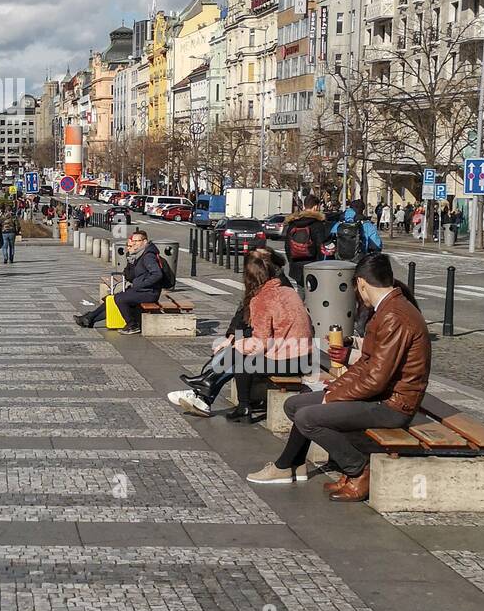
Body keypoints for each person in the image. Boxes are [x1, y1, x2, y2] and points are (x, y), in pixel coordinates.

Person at [245, 252, 431, 498]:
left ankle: (358, 469)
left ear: (361, 283)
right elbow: (367, 364)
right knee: (294, 405)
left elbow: (375, 379)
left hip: (392, 405)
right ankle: (291, 465)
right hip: (379, 395)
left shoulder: (394, 316)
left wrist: (332, 397)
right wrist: (335, 388)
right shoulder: (386, 309)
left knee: (307, 417)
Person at [168, 248, 313, 423]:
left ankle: (226, 397)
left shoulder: (263, 298)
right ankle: (213, 387)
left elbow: (261, 342)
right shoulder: (286, 290)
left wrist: (237, 343)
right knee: (239, 355)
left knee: (242, 359)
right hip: (303, 356)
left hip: (291, 360)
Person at [73, 229, 165, 334]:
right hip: (141, 290)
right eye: (133, 241)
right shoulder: (138, 255)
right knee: (111, 299)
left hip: (150, 292)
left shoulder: (148, 256)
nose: (134, 243)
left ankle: (132, 325)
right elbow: (129, 276)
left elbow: (157, 274)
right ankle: (89, 319)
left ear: (145, 242)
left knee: (120, 299)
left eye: (137, 241)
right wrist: (130, 259)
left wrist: (140, 284)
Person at [281, 194, 327, 297]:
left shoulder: (293, 223)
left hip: (296, 265)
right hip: (313, 265)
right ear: (316, 206)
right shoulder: (317, 224)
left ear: (305, 206)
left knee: (301, 292)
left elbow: (287, 246)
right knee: (315, 294)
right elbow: (321, 246)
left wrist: (292, 261)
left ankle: (300, 311)